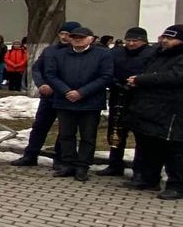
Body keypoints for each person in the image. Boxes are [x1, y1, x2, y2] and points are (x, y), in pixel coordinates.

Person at [45, 26, 112, 182]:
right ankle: (68, 163)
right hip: (65, 100)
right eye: (74, 37)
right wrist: (66, 91)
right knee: (66, 135)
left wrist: (82, 92)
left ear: (91, 39)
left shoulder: (102, 54)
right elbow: (50, 74)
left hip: (90, 102)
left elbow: (106, 77)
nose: (77, 39)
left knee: (87, 136)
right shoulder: (60, 54)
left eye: (81, 37)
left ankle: (82, 166)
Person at [123, 24, 183, 199]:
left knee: (174, 151)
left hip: (175, 112)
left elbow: (175, 76)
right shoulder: (158, 54)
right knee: (151, 146)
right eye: (164, 37)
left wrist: (142, 80)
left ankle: (177, 186)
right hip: (153, 109)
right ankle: (149, 178)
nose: (164, 41)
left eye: (170, 38)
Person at [11, 22, 81, 167]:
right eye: (61, 34)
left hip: (67, 97)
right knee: (39, 126)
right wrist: (41, 84)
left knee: (65, 130)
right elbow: (37, 68)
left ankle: (60, 158)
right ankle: (30, 155)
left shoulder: (78, 52)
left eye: (67, 34)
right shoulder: (50, 50)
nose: (64, 37)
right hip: (48, 97)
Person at [99, 27, 154, 177]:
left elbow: (153, 73)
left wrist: (138, 82)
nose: (130, 43)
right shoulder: (116, 52)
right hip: (119, 96)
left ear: (143, 41)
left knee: (140, 135)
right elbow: (107, 70)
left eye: (134, 41)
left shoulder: (152, 53)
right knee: (116, 132)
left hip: (140, 97)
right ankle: (114, 164)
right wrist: (115, 83)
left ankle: (139, 169)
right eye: (128, 40)